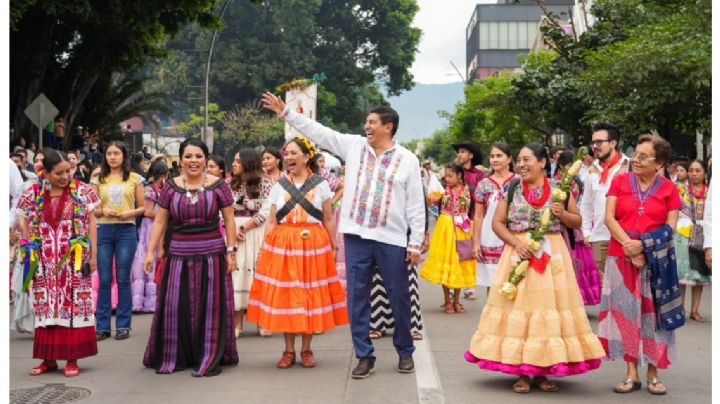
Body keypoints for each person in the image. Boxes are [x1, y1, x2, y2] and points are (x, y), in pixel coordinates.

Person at [262, 92, 425, 379]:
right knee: (357, 299)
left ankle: (405, 350)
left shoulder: (407, 160)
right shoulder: (354, 146)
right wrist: (286, 112)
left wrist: (414, 243)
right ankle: (364, 355)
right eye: (366, 122)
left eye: (373, 122)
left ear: (389, 127)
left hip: (392, 239)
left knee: (399, 297)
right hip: (356, 237)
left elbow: (415, 204)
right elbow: (319, 132)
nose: (367, 126)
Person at [465, 143, 605, 394]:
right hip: (518, 253)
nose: (521, 164)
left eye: (526, 159)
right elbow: (498, 223)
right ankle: (523, 372)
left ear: (542, 163)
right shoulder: (513, 187)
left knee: (547, 309)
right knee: (519, 308)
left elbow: (577, 221)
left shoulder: (560, 189)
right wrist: (517, 244)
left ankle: (543, 370)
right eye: (519, 160)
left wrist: (561, 214)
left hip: (552, 254)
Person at [245, 136, 349, 369]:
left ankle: (307, 349)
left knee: (310, 295)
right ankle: (289, 350)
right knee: (288, 296)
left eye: (293, 153)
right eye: (287, 153)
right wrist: (265, 249)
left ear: (306, 156)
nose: (289, 157)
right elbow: (271, 220)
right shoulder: (279, 185)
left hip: (314, 244)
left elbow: (328, 218)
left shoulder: (321, 184)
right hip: (284, 244)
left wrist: (333, 245)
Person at [142, 138, 238, 377]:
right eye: (188, 156)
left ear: (206, 159)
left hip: (213, 253)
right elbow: (161, 220)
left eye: (198, 156)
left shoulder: (219, 186)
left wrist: (231, 251)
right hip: (178, 254)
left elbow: (229, 220)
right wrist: (150, 253)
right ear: (181, 159)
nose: (193, 161)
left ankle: (208, 355)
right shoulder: (171, 187)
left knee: (211, 307)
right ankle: (176, 355)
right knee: (176, 306)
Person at [598, 134, 683, 395]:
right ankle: (631, 372)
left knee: (652, 317)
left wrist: (643, 246)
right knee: (626, 314)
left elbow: (670, 228)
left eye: (644, 156)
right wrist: (630, 247)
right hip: (621, 259)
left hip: (656, 262)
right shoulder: (620, 180)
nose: (636, 159)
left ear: (659, 163)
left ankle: (654, 373)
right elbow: (609, 219)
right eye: (636, 153)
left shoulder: (670, 189)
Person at [17, 149, 100, 377]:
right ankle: (48, 359)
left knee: (72, 304)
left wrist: (93, 255)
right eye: (59, 173)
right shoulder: (34, 193)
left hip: (73, 260)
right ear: (46, 173)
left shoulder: (81, 191)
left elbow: (92, 220)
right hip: (43, 261)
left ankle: (72, 359)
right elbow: (22, 214)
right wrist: (27, 242)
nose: (65, 177)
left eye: (68, 171)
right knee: (46, 307)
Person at [91, 141, 145, 341]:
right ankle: (102, 327)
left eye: (116, 153)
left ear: (124, 155)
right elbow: (91, 210)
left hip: (126, 230)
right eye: (109, 153)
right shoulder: (97, 179)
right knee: (104, 279)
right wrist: (103, 211)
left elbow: (143, 208)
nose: (112, 157)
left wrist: (128, 213)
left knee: (123, 278)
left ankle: (123, 325)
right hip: (103, 230)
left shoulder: (135, 179)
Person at [229, 148, 273, 337]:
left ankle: (262, 321)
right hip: (234, 231)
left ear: (248, 163)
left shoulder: (264, 182)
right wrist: (232, 228)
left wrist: (246, 226)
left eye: (238, 161)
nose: (234, 164)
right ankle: (237, 323)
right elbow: (223, 209)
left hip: (255, 231)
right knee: (237, 273)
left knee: (257, 273)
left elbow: (267, 210)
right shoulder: (230, 183)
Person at [421, 164, 475, 313]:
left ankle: (457, 301)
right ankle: (447, 300)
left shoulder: (469, 191)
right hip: (445, 229)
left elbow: (473, 212)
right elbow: (429, 201)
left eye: (451, 176)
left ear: (459, 176)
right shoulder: (443, 192)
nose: (447, 179)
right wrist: (431, 197)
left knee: (460, 264)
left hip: (462, 229)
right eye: (446, 176)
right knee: (446, 262)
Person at [580, 122, 630, 278]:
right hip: (600, 236)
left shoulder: (630, 167)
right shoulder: (592, 170)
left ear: (613, 143)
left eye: (599, 142)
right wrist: (586, 232)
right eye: (593, 142)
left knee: (628, 286)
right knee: (605, 290)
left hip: (627, 236)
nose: (595, 146)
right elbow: (586, 204)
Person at [556, 150, 601, 306]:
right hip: (562, 224)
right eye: (567, 165)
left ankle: (581, 300)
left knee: (583, 264)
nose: (570, 168)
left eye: (572, 165)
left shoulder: (578, 181)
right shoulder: (555, 182)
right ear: (560, 165)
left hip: (577, 221)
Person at [472, 142, 517, 294]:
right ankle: (492, 315)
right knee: (492, 282)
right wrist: (476, 242)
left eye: (499, 156)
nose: (495, 159)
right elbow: (478, 216)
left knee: (514, 277)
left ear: (509, 159)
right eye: (492, 156)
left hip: (514, 236)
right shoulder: (483, 184)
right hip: (489, 237)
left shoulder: (518, 182)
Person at [130, 159, 169, 313]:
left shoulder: (158, 189)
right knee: (148, 259)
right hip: (150, 228)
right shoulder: (150, 190)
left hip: (156, 226)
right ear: (163, 175)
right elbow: (147, 211)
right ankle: (144, 302)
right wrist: (163, 216)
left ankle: (152, 301)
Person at [675, 160, 710, 322]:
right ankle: (680, 308)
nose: (694, 173)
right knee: (682, 274)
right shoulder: (680, 189)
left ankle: (695, 310)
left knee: (699, 274)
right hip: (682, 233)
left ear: (704, 173)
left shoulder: (710, 192)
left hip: (704, 234)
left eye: (698, 170)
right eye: (691, 170)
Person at [452, 141, 484, 301]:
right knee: (455, 252)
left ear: (471, 155)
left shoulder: (479, 175)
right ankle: (453, 284)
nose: (460, 154)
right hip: (454, 218)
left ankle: (469, 286)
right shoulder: (453, 172)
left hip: (472, 218)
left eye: (463, 151)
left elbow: (482, 195)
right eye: (459, 152)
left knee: (470, 252)